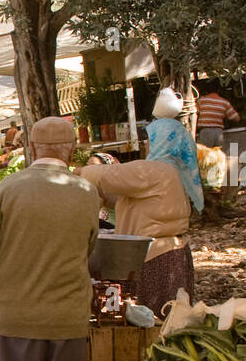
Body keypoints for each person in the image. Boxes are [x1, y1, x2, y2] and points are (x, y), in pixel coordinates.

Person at [0, 116, 98, 361]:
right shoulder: (88, 192)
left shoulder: (7, 188)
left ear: (32, 150)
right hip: (68, 322)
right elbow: (89, 248)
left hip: (13, 321)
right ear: (72, 151)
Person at [81, 89, 201, 316]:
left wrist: (78, 171)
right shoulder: (173, 168)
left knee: (152, 319)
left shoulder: (154, 169)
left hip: (155, 257)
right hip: (173, 253)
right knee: (173, 319)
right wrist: (109, 199)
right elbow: (142, 200)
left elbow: (105, 176)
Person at [195, 80, 239, 148]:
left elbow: (195, 113)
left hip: (205, 132)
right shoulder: (224, 102)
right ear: (219, 90)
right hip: (219, 133)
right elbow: (236, 118)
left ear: (206, 90)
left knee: (203, 155)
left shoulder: (201, 100)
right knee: (217, 156)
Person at [86, 150, 119, 230]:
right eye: (87, 166)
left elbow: (89, 215)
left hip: (114, 231)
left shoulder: (107, 188)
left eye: (94, 166)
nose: (89, 169)